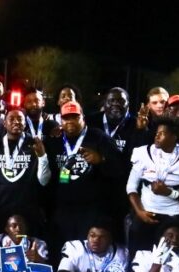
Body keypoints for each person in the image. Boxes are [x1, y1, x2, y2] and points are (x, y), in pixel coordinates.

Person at [45, 101, 126, 248]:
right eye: (66, 118)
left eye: (75, 117)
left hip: (92, 210)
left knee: (87, 253)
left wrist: (101, 160)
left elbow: (120, 169)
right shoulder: (54, 140)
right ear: (60, 120)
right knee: (62, 252)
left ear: (83, 117)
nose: (70, 121)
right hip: (63, 210)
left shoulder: (99, 138)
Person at [126, 117, 179, 255]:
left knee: (168, 259)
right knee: (137, 256)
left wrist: (169, 193)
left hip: (172, 217)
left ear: (174, 137)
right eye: (156, 133)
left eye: (162, 133)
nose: (157, 136)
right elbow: (131, 187)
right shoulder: (143, 153)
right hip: (145, 213)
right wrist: (139, 211)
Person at [0, 109, 51, 237]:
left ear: (25, 124)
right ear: (4, 124)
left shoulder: (35, 145)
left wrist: (42, 156)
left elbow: (44, 181)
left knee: (26, 250)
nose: (16, 122)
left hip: (27, 209)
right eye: (11, 119)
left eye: (20, 119)